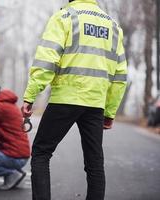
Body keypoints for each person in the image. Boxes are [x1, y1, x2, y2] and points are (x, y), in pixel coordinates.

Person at [21, 0, 127, 199]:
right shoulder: (112, 26)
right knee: (95, 163)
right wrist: (110, 111)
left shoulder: (65, 17)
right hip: (95, 104)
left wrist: (31, 95)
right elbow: (120, 75)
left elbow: (47, 60)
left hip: (65, 98)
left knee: (41, 153)